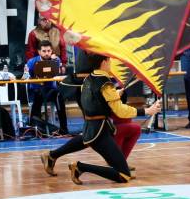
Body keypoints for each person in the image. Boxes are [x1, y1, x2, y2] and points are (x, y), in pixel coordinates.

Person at [41, 54, 161, 184]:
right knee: (124, 175)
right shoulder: (105, 83)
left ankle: (53, 156)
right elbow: (120, 111)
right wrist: (146, 111)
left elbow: (94, 100)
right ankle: (80, 167)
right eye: (109, 60)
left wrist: (113, 95)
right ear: (104, 62)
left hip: (91, 128)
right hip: (100, 132)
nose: (110, 63)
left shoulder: (88, 79)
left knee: (88, 143)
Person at [26, 40, 68, 135]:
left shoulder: (56, 60)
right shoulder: (31, 62)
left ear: (52, 51)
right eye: (44, 51)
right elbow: (25, 77)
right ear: (39, 52)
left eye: (49, 51)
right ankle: (35, 128)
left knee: (59, 96)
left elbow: (60, 74)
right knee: (38, 95)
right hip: (36, 90)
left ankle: (64, 129)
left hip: (51, 91)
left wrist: (56, 61)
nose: (46, 53)